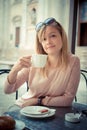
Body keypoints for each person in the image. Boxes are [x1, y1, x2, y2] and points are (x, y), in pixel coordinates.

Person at [4, 17, 80, 108]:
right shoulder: (35, 60)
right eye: (43, 39)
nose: (48, 42)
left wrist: (37, 101)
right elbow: (7, 90)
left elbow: (68, 99)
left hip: (53, 113)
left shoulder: (73, 61)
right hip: (24, 107)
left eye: (53, 36)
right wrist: (14, 70)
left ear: (62, 37)